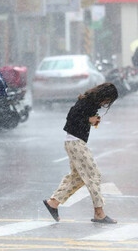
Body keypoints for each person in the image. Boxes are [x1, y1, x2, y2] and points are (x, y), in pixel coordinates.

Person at [43, 83, 119, 224]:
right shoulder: (87, 102)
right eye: (108, 100)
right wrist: (88, 120)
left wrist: (90, 121)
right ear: (104, 95)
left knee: (78, 177)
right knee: (94, 175)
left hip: (75, 142)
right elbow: (71, 117)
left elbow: (77, 118)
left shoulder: (89, 102)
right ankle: (99, 213)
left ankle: (53, 203)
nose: (106, 103)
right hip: (75, 143)